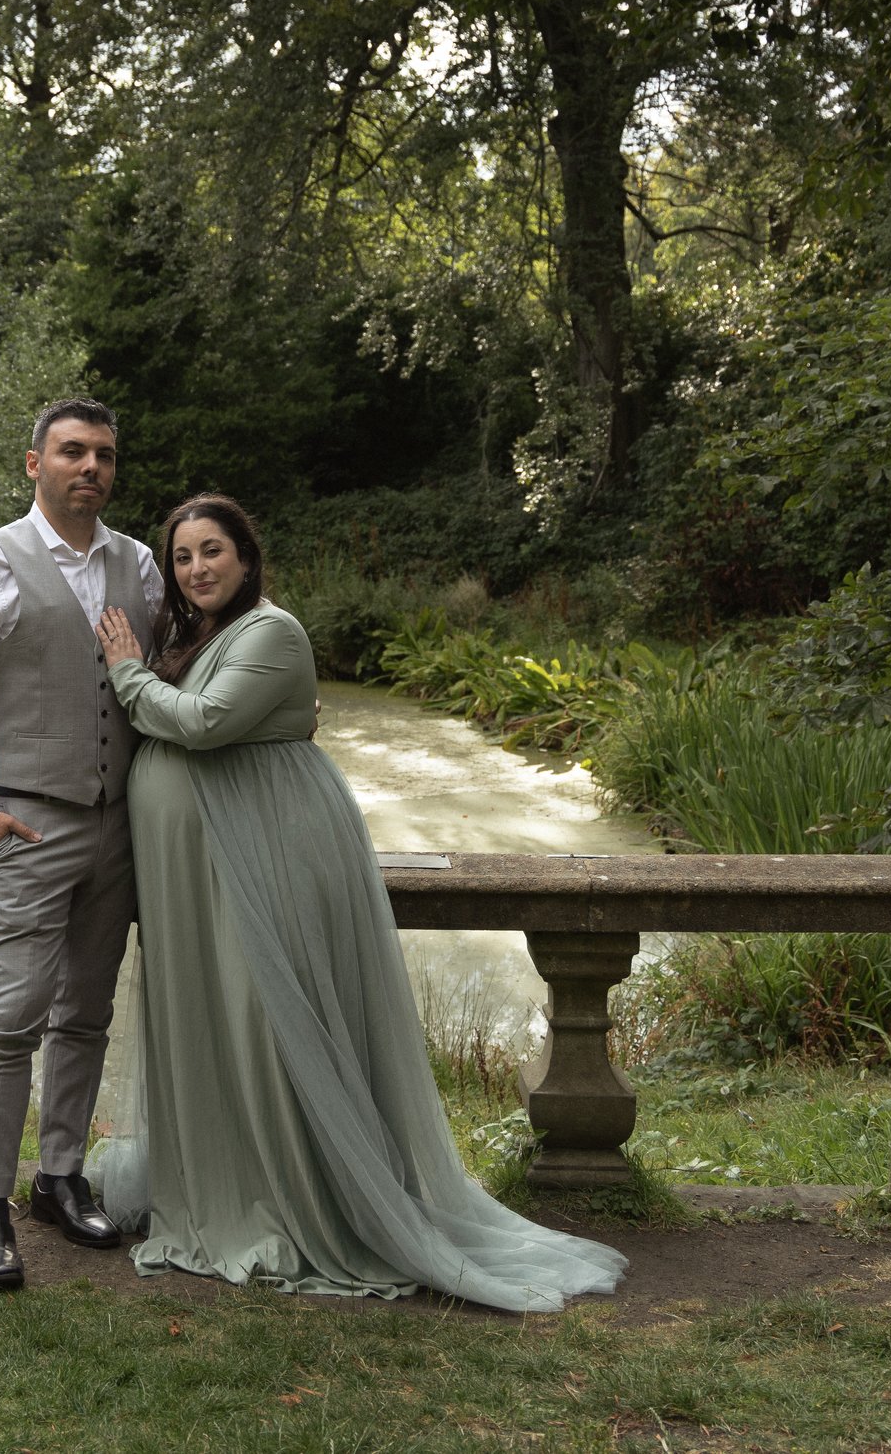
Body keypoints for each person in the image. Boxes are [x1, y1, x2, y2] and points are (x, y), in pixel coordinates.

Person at [86, 494, 626, 1311]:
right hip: (190, 865)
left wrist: (126, 670)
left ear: (246, 555)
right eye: (183, 556)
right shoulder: (192, 633)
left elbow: (201, 724)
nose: (196, 567)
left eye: (212, 551)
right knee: (210, 1015)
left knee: (266, 1016)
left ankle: (298, 1194)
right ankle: (224, 1171)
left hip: (256, 852)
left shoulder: (273, 631)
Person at [0, 397, 164, 1292]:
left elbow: (168, 678)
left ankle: (59, 1177)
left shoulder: (139, 562)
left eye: (103, 453)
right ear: (35, 464)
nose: (89, 466)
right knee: (9, 1020)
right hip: (25, 824)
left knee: (85, 1014)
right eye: (71, 452)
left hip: (118, 830)